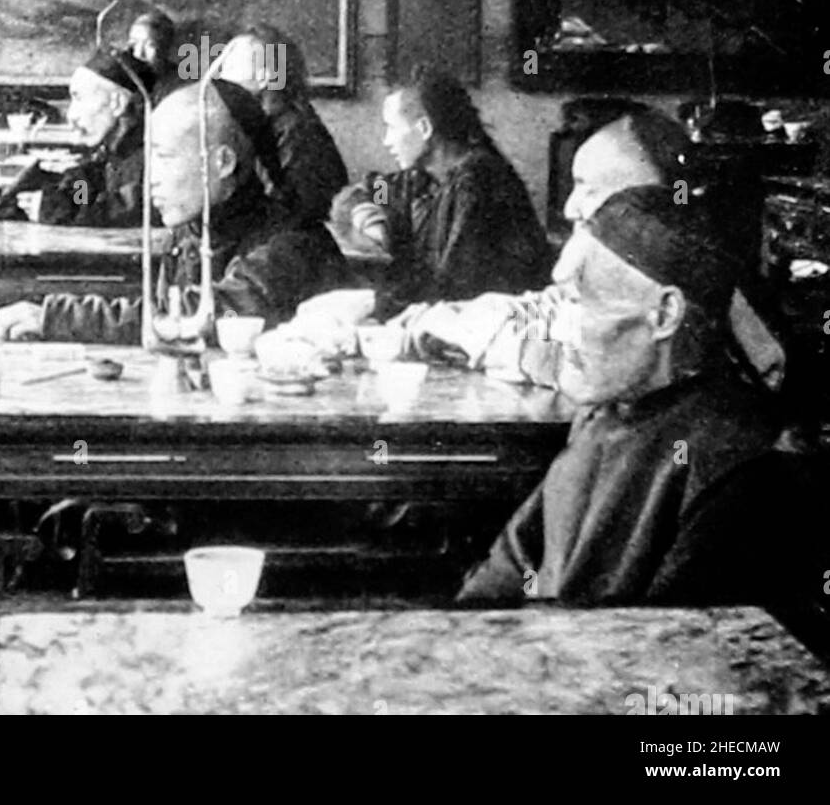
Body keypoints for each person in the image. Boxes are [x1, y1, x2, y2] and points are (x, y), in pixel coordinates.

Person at [456, 186, 816, 607]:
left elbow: (668, 636)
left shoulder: (740, 468)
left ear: (665, 314)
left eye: (579, 301)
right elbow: (512, 565)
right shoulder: (603, 413)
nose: (557, 330)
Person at [399, 108, 786, 392]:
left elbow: (576, 362)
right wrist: (438, 319)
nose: (571, 208)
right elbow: (546, 310)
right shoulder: (613, 273)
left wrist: (469, 336)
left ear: (656, 197)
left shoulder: (713, 302)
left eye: (589, 187)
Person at [0, 79, 346, 343]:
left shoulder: (290, 245)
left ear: (222, 162)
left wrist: (60, 316)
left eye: (164, 157)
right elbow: (164, 312)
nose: (151, 178)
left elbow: (200, 317)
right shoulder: (191, 231)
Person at [333, 65, 552, 311]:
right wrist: (371, 219)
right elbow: (373, 191)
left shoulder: (477, 184)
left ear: (424, 128)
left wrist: (380, 307)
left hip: (491, 320)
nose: (386, 140)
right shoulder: (423, 177)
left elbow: (453, 288)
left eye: (392, 127)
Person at [0, 48, 155, 227]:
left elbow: (129, 209)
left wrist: (59, 209)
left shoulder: (152, 154)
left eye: (79, 98)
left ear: (117, 103)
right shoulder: (114, 150)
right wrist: (13, 194)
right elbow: (84, 192)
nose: (71, 115)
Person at [217, 23, 348, 225]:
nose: (221, 76)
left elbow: (288, 214)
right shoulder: (256, 123)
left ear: (264, 78)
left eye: (231, 67)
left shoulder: (297, 132)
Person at [128, 9, 178, 97]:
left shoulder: (178, 84)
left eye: (150, 45)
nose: (138, 54)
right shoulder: (125, 77)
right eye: (134, 44)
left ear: (166, 48)